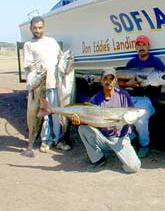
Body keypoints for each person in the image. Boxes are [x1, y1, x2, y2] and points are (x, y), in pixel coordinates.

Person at [75, 68, 141, 173]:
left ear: (115, 81)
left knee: (133, 168)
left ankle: (123, 151)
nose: (108, 81)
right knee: (82, 129)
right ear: (101, 80)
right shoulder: (95, 99)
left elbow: (131, 114)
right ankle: (98, 159)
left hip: (120, 138)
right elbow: (89, 120)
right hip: (103, 137)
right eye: (105, 78)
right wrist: (79, 120)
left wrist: (129, 119)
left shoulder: (124, 95)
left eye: (111, 79)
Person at [23, 16, 71, 152]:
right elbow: (29, 66)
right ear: (30, 28)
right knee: (42, 115)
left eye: (40, 27)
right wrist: (34, 80)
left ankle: (58, 140)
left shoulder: (52, 41)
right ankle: (46, 141)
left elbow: (60, 58)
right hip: (39, 87)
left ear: (44, 27)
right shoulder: (29, 45)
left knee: (56, 114)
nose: (37, 30)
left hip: (54, 85)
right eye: (35, 28)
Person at [118, 35, 165, 158]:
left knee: (140, 120)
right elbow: (120, 83)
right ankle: (132, 140)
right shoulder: (131, 63)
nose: (141, 48)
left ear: (148, 46)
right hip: (131, 96)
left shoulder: (156, 63)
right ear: (136, 48)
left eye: (144, 45)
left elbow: (159, 82)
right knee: (119, 116)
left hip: (148, 98)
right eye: (138, 45)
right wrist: (128, 83)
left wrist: (148, 82)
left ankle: (144, 144)